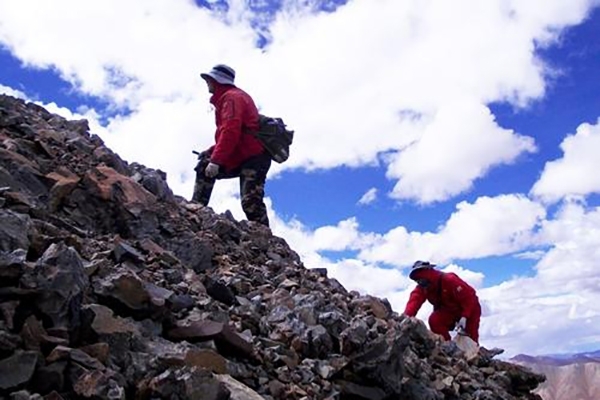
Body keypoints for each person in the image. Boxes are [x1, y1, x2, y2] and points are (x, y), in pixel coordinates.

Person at [193, 64, 271, 227]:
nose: (207, 82)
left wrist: (216, 160)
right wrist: (211, 152)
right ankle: (197, 210)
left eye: (209, 79)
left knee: (251, 202)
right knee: (251, 202)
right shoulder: (231, 97)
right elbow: (232, 133)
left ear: (217, 80)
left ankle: (266, 242)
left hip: (254, 157)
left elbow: (231, 130)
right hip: (246, 155)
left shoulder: (231, 98)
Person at [403, 260, 482, 343]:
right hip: (449, 311)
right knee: (435, 320)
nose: (419, 282)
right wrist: (405, 318)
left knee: (470, 338)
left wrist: (465, 316)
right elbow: (414, 301)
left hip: (470, 309)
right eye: (417, 280)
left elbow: (469, 298)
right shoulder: (423, 287)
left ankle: (474, 353)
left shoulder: (450, 280)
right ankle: (447, 345)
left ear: (428, 274)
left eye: (421, 279)